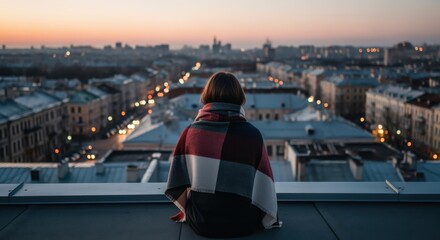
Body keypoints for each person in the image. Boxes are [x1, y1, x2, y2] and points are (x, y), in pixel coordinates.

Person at [165, 72, 280, 238]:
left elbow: (179, 181)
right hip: (243, 224)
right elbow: (265, 185)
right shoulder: (252, 135)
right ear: (239, 97)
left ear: (207, 96)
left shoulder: (191, 132)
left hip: (201, 223)